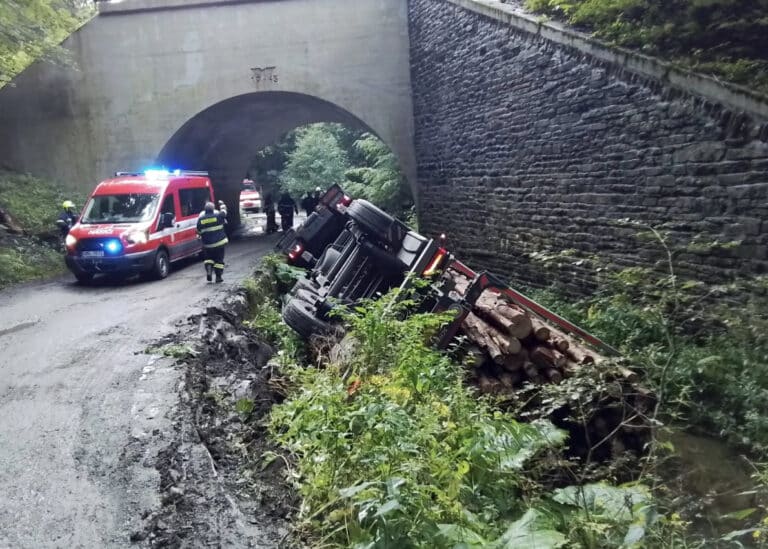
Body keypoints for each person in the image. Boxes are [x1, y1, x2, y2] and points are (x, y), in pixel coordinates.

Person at [196, 201, 228, 283]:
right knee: (219, 260)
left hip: (207, 245)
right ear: (213, 209)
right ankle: (218, 277)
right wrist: (222, 204)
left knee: (208, 259)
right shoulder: (218, 216)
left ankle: (209, 270)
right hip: (219, 244)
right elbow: (224, 212)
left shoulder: (201, 220)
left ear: (205, 210)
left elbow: (198, 232)